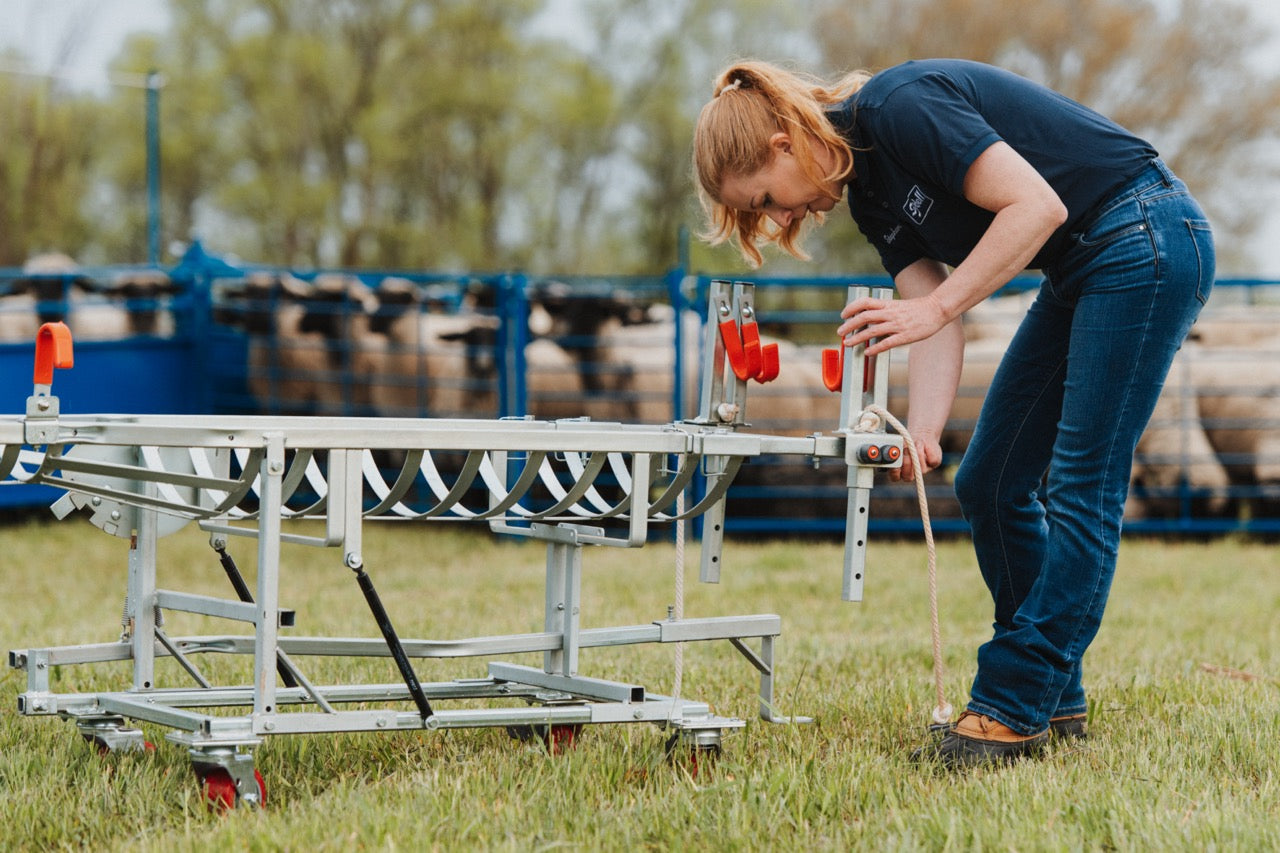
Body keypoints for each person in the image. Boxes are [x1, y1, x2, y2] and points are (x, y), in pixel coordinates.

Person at [692, 58, 1214, 769]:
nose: (779, 219)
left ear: (784, 142)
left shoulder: (900, 107)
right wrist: (927, 431)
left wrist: (934, 306)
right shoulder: (869, 195)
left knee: (1080, 485)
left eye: (764, 199)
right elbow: (932, 316)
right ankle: (1055, 695)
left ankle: (1012, 703)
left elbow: (1037, 208)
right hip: (1084, 264)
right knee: (989, 481)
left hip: (1142, 235)